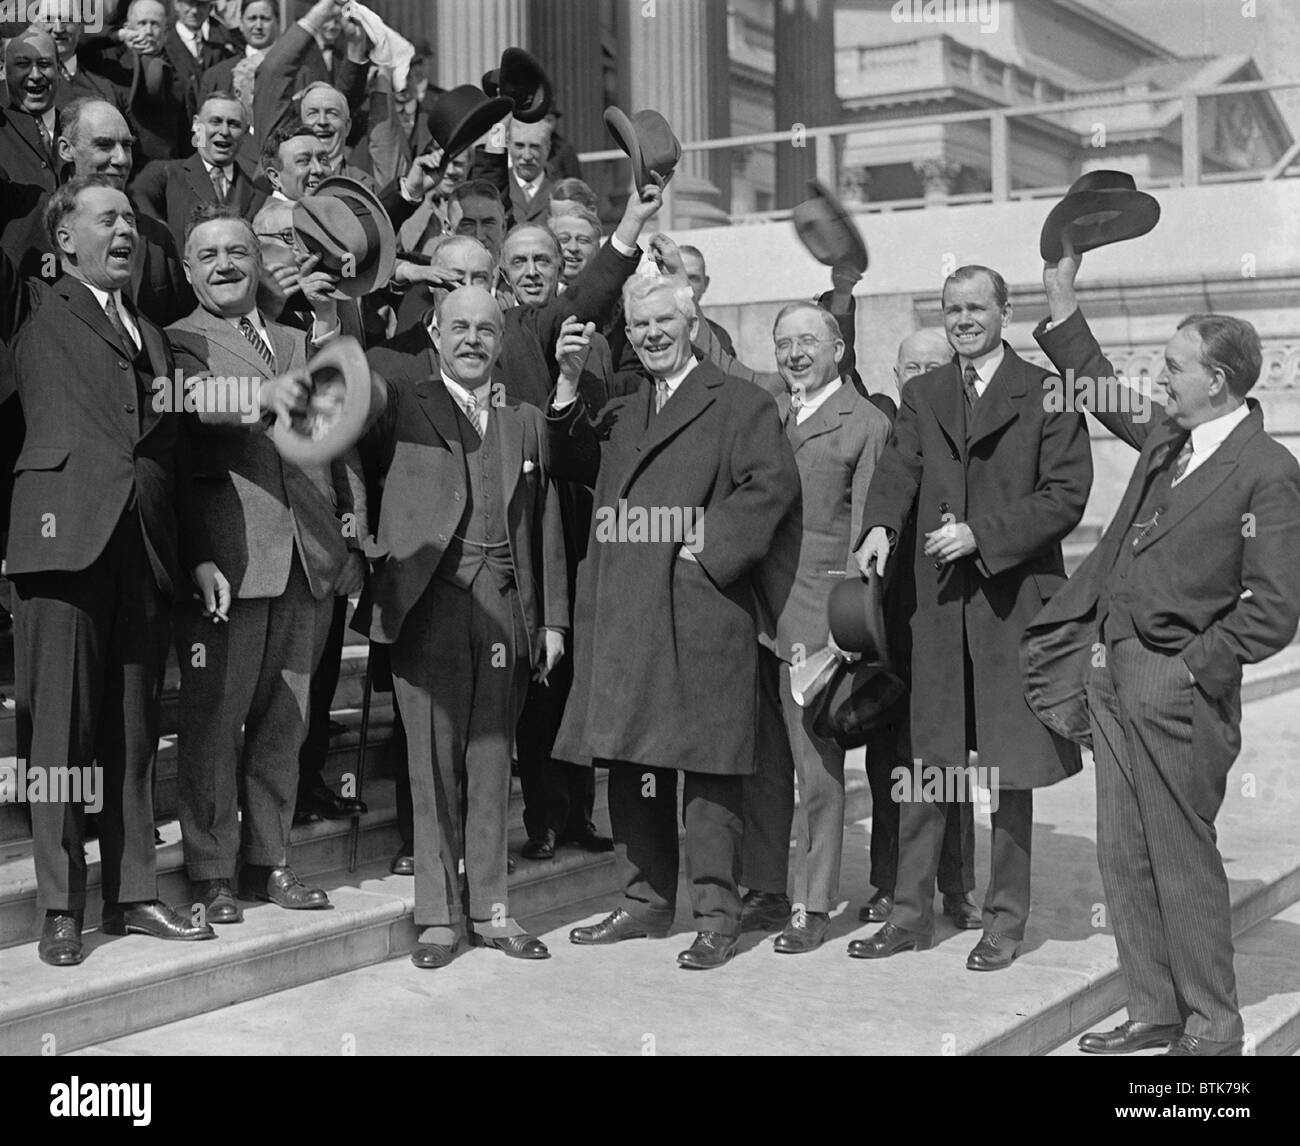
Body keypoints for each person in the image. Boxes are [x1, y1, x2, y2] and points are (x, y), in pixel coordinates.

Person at [1031, 248, 1300, 1056]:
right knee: (1123, 853)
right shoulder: (1166, 439)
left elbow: (1278, 607)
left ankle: (1213, 1027)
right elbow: (1103, 385)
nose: (1159, 377)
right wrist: (1061, 296)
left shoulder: (1268, 471)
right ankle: (1153, 1010)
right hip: (1112, 673)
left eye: (1174, 366)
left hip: (1178, 685)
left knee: (1181, 859)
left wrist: (1194, 667)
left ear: (1217, 380)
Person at [549, 271, 800, 970]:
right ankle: (644, 902)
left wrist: (708, 551)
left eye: (664, 321)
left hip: (698, 611)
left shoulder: (740, 401)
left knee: (710, 773)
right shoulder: (625, 404)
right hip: (626, 610)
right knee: (633, 762)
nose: (653, 334)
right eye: (639, 326)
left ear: (692, 323)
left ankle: (718, 913)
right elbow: (569, 461)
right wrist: (567, 387)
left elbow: (771, 485)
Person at [853, 264, 1092, 970]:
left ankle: (1003, 923)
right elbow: (899, 470)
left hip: (1010, 607)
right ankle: (908, 914)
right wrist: (880, 529)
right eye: (953, 309)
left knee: (1009, 777)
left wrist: (981, 535)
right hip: (937, 608)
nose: (963, 320)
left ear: (1005, 312)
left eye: (976, 309)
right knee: (928, 770)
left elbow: (1064, 497)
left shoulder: (1049, 392)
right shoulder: (924, 392)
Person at [10, 175, 217, 965]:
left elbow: (170, 451)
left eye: (132, 219)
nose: (125, 230)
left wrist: (194, 553)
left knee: (132, 737)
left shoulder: (153, 333)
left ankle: (131, 894)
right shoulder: (35, 304)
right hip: (63, 544)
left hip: (146, 552)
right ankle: (62, 906)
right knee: (58, 737)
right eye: (107, 219)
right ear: (63, 240)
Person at [352, 285, 569, 969]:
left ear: (501, 343)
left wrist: (554, 619)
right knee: (432, 767)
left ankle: (493, 911)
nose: (473, 340)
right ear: (436, 338)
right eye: (459, 329)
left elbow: (546, 524)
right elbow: (346, 455)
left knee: (490, 764)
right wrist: (362, 546)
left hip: (506, 607)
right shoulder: (399, 404)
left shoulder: (526, 421)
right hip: (428, 606)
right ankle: (440, 917)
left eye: (486, 330)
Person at [166, 207, 366, 922]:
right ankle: (213, 870)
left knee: (287, 722)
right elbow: (196, 405)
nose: (224, 265)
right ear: (189, 271)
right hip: (232, 559)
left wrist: (353, 534)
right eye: (208, 255)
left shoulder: (297, 338)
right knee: (215, 721)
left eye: (238, 252)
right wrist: (263, 395)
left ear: (259, 263)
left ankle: (269, 861)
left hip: (309, 560)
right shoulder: (178, 340)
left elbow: (337, 435)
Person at [738, 301, 891, 953]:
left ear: (838, 348)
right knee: (764, 766)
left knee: (818, 769)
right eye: (784, 342)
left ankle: (814, 900)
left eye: (809, 340)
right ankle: (768, 888)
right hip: (754, 612)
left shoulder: (865, 423)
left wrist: (845, 632)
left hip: (816, 617)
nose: (795, 352)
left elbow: (867, 541)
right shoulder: (768, 413)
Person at [857, 327, 978, 929]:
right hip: (888, 625)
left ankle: (956, 886)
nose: (922, 375)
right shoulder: (881, 420)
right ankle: (890, 883)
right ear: (896, 372)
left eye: (935, 365)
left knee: (945, 760)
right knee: (888, 764)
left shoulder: (962, 427)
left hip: (946, 618)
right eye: (912, 366)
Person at [130, 91, 266, 251]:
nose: (224, 131)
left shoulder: (256, 193)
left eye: (233, 124)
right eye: (215, 122)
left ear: (245, 133)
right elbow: (135, 197)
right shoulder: (166, 174)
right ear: (196, 125)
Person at [679, 244, 735, 357]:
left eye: (693, 278)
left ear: (705, 284)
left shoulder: (720, 338)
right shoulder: (646, 331)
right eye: (679, 276)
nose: (686, 284)